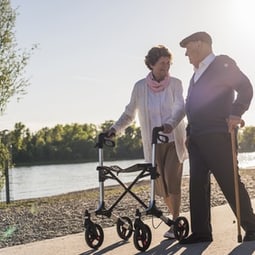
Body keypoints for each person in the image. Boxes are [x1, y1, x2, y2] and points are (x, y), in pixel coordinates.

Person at [179, 31, 255, 244]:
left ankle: (252, 226)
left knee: (229, 181)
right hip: (196, 137)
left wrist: (236, 112)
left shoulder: (222, 63)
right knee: (197, 184)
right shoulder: (195, 75)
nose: (186, 54)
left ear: (200, 44)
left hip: (219, 134)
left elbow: (246, 88)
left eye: (188, 47)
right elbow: (192, 107)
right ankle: (202, 232)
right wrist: (188, 133)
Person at [106, 45, 188, 239]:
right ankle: (173, 219)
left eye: (168, 63)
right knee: (161, 185)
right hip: (152, 143)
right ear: (151, 64)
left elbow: (180, 107)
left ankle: (176, 222)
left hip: (173, 139)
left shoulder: (175, 83)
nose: (166, 67)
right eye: (162, 63)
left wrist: (170, 124)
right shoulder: (140, 87)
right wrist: (114, 130)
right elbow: (129, 113)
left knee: (172, 178)